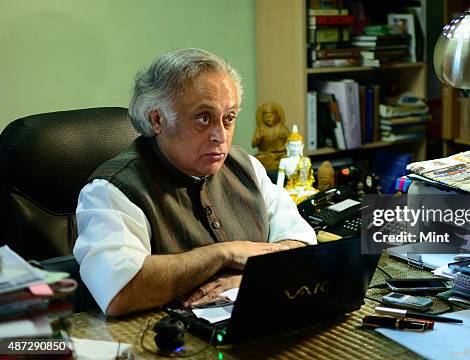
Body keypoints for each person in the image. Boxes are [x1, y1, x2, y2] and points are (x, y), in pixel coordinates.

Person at [73, 48, 317, 317]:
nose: (220, 136)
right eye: (204, 118)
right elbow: (120, 291)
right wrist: (223, 253)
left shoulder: (246, 166)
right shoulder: (111, 190)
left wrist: (249, 281)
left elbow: (301, 244)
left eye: (229, 118)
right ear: (157, 119)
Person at [276, 125, 318, 204]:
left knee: (314, 196)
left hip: (304, 189)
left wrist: (307, 189)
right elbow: (280, 181)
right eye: (292, 146)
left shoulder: (306, 160)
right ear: (287, 146)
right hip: (291, 189)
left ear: (302, 147)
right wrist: (278, 193)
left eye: (297, 146)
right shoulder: (284, 161)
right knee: (286, 198)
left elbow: (308, 181)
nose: (295, 148)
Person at [251, 102, 290, 171]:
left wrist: (283, 147)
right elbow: (253, 144)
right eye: (266, 117)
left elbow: (289, 141)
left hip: (279, 154)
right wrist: (258, 137)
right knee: (256, 160)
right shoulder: (261, 129)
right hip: (265, 154)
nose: (268, 119)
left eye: (271, 116)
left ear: (276, 116)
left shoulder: (282, 128)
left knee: (286, 159)